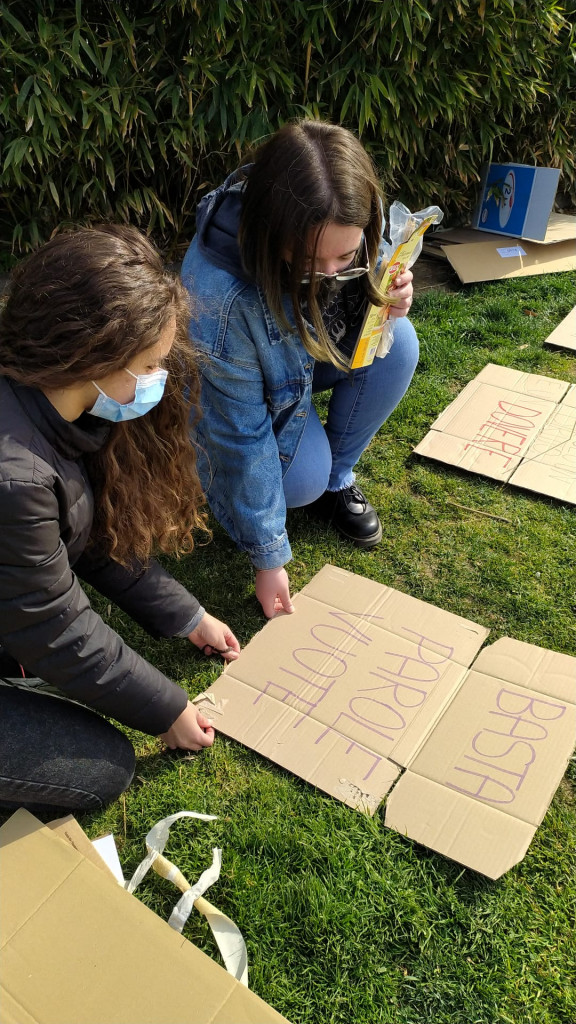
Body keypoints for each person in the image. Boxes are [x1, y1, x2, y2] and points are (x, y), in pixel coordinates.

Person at [0, 224, 240, 813]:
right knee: (99, 769)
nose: (159, 380)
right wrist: (166, 708)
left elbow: (88, 536)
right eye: (153, 364)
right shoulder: (15, 478)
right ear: (96, 356)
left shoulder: (59, 407)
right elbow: (54, 628)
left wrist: (187, 616)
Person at [181, 118, 418, 618]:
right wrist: (268, 558)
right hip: (246, 396)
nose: (333, 273)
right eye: (315, 259)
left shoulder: (344, 212)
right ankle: (291, 475)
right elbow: (240, 435)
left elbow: (366, 278)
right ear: (275, 231)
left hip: (300, 361)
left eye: (347, 255)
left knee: (399, 348)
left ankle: (339, 477)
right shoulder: (220, 301)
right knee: (301, 481)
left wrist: (390, 297)